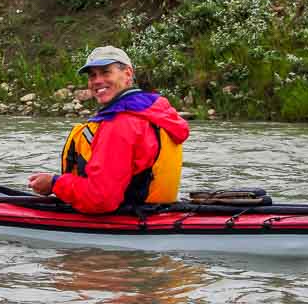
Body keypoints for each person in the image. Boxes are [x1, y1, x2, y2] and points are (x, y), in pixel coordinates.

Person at [28, 46, 189, 213]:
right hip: (158, 214)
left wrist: (55, 183)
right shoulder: (155, 113)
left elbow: (100, 199)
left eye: (106, 72)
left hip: (130, 221)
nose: (97, 81)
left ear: (127, 73)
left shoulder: (120, 123)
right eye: (92, 75)